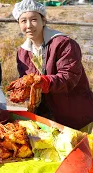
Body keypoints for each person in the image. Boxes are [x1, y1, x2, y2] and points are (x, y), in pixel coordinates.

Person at [12, 0, 93, 130]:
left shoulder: (64, 44)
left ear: (43, 20)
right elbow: (27, 82)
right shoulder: (22, 52)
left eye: (33, 19)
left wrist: (42, 81)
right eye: (23, 21)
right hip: (45, 119)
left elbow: (69, 77)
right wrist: (22, 92)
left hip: (74, 114)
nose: (28, 25)